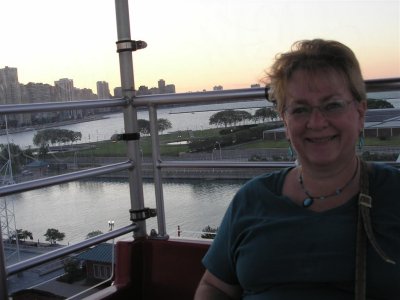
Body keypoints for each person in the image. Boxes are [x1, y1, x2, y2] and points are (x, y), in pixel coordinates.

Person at [194, 39, 400, 299]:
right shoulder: (253, 198)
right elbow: (215, 286)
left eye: (332, 105)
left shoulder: (394, 191)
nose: (316, 122)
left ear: (360, 113)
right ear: (285, 121)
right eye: (300, 109)